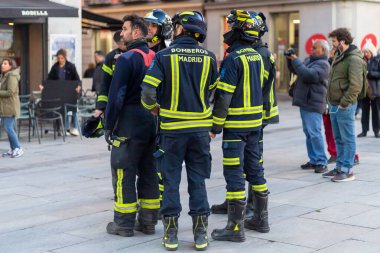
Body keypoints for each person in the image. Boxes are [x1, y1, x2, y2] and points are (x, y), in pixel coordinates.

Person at [141, 11, 217, 251]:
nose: (173, 30)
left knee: (171, 181)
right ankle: (200, 233)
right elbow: (213, 90)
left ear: (182, 29)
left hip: (172, 131)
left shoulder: (164, 56)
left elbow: (147, 92)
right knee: (198, 181)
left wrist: (153, 109)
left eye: (175, 27)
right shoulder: (209, 57)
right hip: (200, 132)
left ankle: (171, 233)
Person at [211, 11, 279, 218]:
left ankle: (235, 225)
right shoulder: (258, 55)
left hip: (237, 125)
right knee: (254, 168)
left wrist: (215, 126)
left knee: (235, 171)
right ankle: (260, 219)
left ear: (241, 31)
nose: (228, 32)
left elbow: (224, 96)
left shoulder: (236, 57)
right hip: (254, 123)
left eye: (231, 27)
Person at [104, 15, 159, 238]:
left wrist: (108, 126)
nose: (122, 33)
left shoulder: (126, 59)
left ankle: (124, 223)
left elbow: (116, 96)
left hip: (128, 122)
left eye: (125, 29)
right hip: (152, 122)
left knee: (123, 170)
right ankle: (148, 222)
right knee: (149, 171)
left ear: (137, 32)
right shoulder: (157, 57)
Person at [323, 28, 366, 182]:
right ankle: (340, 167)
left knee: (347, 138)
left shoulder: (353, 59)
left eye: (334, 41)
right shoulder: (339, 56)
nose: (332, 44)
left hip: (344, 105)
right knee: (339, 138)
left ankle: (347, 170)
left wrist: (344, 104)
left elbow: (355, 85)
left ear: (342, 41)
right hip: (334, 104)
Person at [144, 8, 173, 218]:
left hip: (160, 117)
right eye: (147, 25)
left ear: (163, 30)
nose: (148, 29)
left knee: (161, 163)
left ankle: (162, 204)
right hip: (141, 117)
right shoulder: (140, 50)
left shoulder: (166, 54)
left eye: (153, 25)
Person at [287, 39, 330, 173]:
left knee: (315, 133)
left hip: (313, 103)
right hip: (305, 102)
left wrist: (296, 61)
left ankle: (321, 161)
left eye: (314, 48)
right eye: (311, 47)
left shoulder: (323, 64)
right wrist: (291, 60)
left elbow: (308, 75)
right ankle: (314, 160)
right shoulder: (310, 60)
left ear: (323, 50)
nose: (311, 50)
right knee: (309, 133)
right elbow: (297, 71)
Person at [42, 48, 81, 136]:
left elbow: (77, 79)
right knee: (61, 110)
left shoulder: (71, 66)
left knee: (72, 109)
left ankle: (74, 128)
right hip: (58, 92)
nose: (60, 60)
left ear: (65, 57)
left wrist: (78, 86)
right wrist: (43, 86)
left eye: (61, 58)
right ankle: (65, 129)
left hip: (69, 91)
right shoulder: (55, 67)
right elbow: (49, 79)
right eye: (58, 58)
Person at [93, 31, 126, 118]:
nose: (123, 45)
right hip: (116, 103)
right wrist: (100, 106)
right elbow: (104, 84)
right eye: (121, 43)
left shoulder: (136, 53)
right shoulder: (111, 57)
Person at [0, 58, 24, 158]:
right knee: (8, 127)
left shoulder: (12, 76)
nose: (2, 65)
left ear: (11, 66)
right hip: (5, 106)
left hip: (10, 106)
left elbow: (11, 92)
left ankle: (18, 148)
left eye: (5, 63)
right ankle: (13, 148)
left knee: (8, 127)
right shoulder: (5, 76)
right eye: (2, 63)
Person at [358, 44, 380, 138]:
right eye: (364, 52)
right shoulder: (361, 61)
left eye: (367, 52)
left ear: (371, 51)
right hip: (364, 90)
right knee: (364, 111)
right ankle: (364, 131)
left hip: (375, 89)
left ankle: (376, 131)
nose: (365, 54)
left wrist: (369, 73)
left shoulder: (377, 60)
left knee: (376, 111)